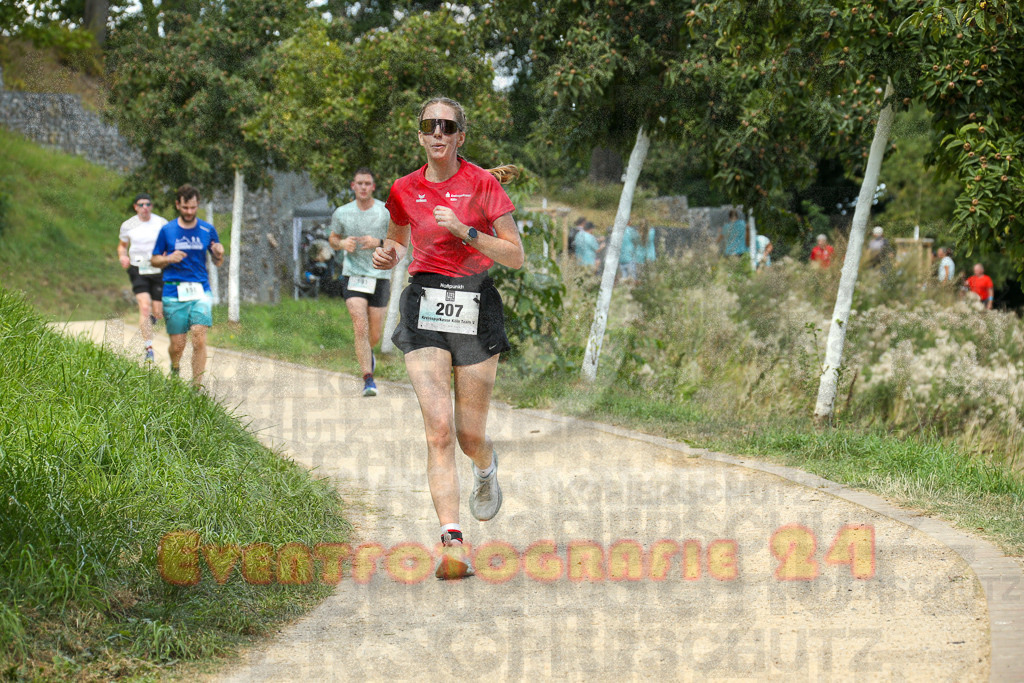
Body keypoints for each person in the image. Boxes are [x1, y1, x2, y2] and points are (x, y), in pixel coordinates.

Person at [372, 96, 524, 579]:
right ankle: (453, 545)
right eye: (428, 125)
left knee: (467, 434)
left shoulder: (483, 184)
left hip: (477, 303)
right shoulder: (403, 188)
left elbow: (516, 256)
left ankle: (485, 466)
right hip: (425, 307)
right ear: (420, 134)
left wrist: (466, 232)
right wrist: (387, 255)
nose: (437, 132)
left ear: (460, 136)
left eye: (447, 126)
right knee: (438, 430)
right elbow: (397, 238)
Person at [150, 184, 225, 388]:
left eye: (193, 208)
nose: (189, 212)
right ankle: (175, 369)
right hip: (174, 291)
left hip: (200, 289)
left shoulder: (207, 230)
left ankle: (196, 388)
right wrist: (169, 258)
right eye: (185, 208)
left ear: (197, 205)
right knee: (178, 344)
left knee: (199, 337)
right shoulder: (167, 230)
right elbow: (154, 260)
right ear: (178, 205)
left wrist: (219, 252)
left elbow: (217, 261)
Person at [328, 168, 392, 397]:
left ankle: (369, 353)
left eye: (368, 183)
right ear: (353, 186)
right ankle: (368, 379)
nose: (363, 187)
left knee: (373, 334)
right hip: (353, 275)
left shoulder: (385, 211)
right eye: (359, 183)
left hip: (380, 276)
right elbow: (333, 239)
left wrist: (378, 241)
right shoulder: (342, 213)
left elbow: (399, 240)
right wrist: (343, 243)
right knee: (359, 326)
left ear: (373, 187)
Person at [117, 193, 168, 362]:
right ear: (135, 207)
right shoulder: (128, 225)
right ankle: (148, 349)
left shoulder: (161, 222)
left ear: (151, 206)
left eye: (147, 204)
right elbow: (122, 246)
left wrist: (166, 256)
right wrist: (122, 257)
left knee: (157, 311)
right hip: (138, 268)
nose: (144, 207)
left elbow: (169, 243)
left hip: (157, 268)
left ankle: (152, 318)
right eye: (140, 205)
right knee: (144, 306)